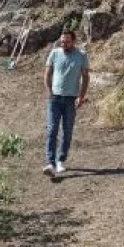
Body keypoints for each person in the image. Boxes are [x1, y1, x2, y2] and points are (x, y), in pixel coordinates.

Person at [43, 30, 89, 177]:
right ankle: (51, 162)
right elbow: (47, 73)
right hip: (55, 98)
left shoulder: (81, 55)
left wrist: (81, 96)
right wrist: (49, 91)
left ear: (73, 41)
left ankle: (61, 159)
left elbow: (86, 77)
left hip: (71, 99)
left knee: (67, 130)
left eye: (67, 41)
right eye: (62, 41)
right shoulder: (55, 53)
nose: (64, 44)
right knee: (52, 129)